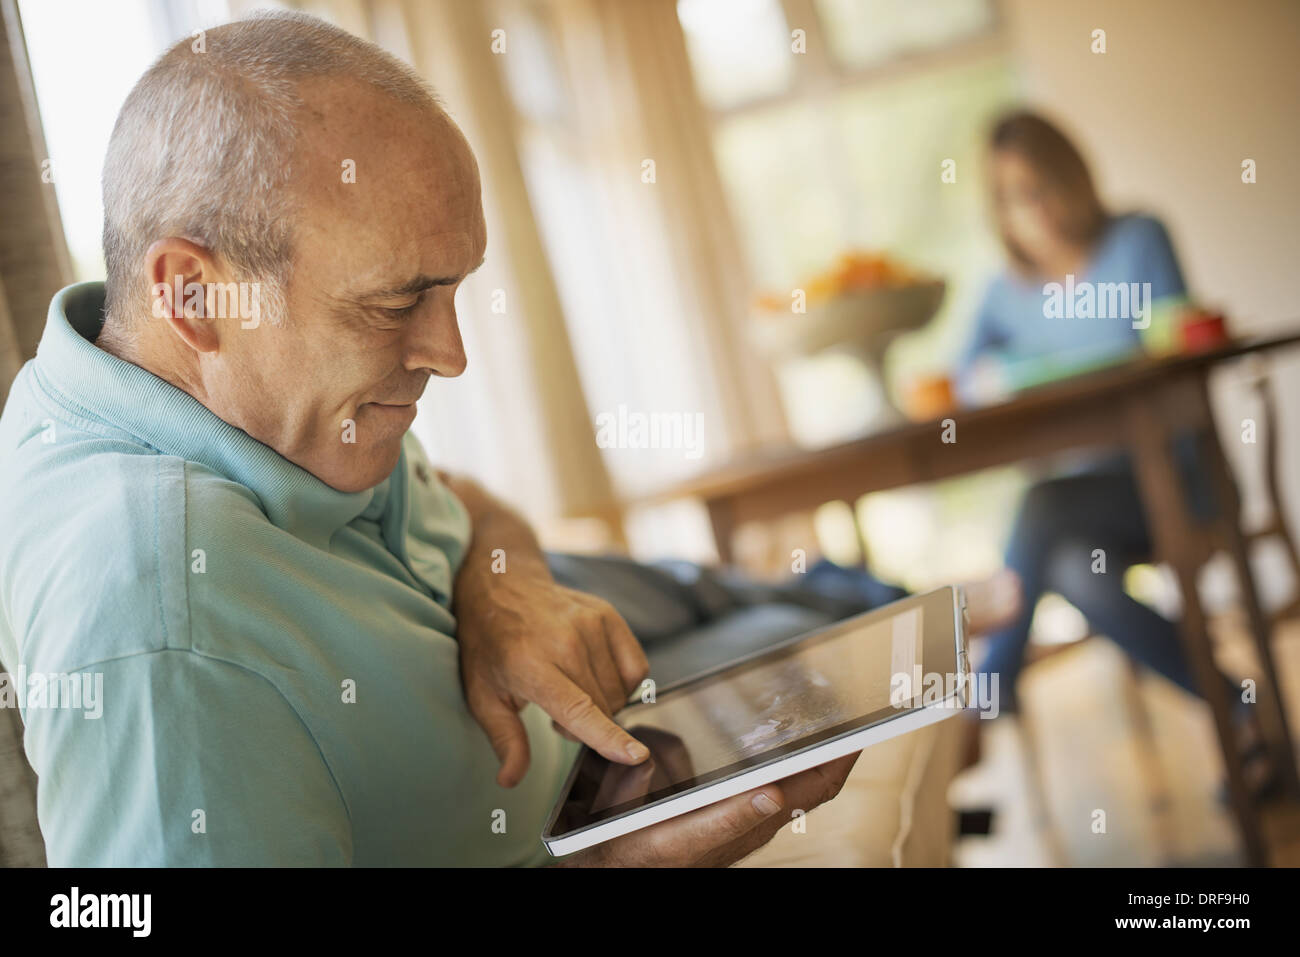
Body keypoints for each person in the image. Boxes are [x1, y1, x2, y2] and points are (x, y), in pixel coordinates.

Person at [0, 11, 865, 866]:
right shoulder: (160, 625)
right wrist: (615, 867)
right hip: (583, 775)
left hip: (563, 659)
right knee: (824, 637)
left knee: (799, 623)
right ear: (191, 296)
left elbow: (459, 498)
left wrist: (502, 590)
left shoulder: (235, 401)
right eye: (394, 303)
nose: (450, 357)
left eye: (453, 289)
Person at [957, 111, 1267, 783]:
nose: (1032, 210)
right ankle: (1242, 710)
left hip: (1183, 479)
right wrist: (991, 382)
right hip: (1092, 508)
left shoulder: (1137, 239)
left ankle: (986, 695)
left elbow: (1171, 344)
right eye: (1012, 196)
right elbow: (960, 382)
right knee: (1073, 571)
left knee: (1041, 506)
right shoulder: (1004, 295)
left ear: (1074, 178)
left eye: (1041, 186)